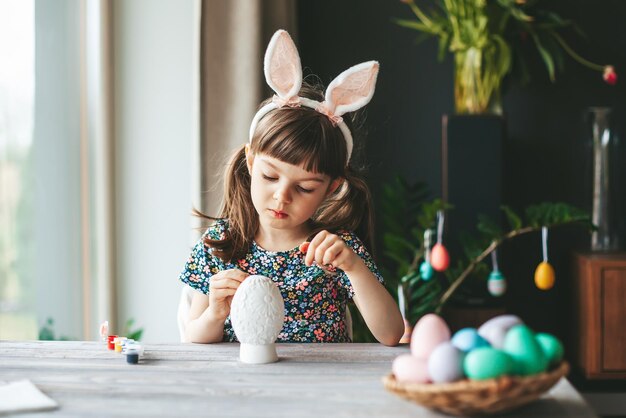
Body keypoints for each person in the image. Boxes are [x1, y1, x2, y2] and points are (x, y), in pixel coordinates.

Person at [179, 29, 404, 346]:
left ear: (331, 188)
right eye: (271, 177)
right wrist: (215, 313)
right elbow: (194, 337)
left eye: (306, 188)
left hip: (318, 389)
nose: (282, 196)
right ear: (251, 162)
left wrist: (354, 266)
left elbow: (391, 334)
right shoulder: (222, 242)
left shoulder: (336, 249)